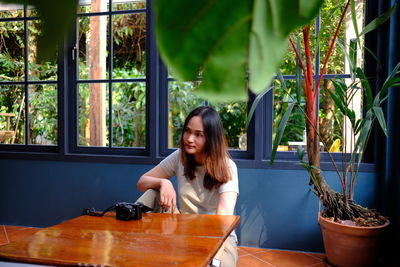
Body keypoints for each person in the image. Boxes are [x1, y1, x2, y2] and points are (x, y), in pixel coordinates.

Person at [136, 106, 239, 267]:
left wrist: (214, 260)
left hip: (220, 239)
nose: (189, 139)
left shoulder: (227, 166)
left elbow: (223, 221)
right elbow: (142, 182)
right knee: (153, 191)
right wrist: (164, 182)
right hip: (185, 230)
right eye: (187, 131)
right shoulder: (179, 157)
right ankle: (136, 241)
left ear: (211, 138)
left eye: (198, 135)